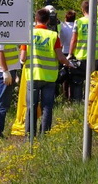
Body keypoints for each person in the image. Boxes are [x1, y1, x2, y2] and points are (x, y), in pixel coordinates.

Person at [19, 8, 72, 136]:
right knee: (47, 107)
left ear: (35, 19)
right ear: (48, 20)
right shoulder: (53, 36)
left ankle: (30, 136)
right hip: (49, 78)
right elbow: (60, 57)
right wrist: (68, 63)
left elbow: (22, 58)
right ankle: (45, 135)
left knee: (31, 107)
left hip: (33, 76)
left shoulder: (28, 34)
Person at [68, 0, 98, 101]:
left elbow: (74, 40)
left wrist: (70, 54)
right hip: (94, 56)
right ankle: (89, 102)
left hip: (81, 56)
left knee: (78, 80)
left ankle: (78, 103)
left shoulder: (79, 22)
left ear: (82, 9)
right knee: (91, 81)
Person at [0, 44, 21, 138]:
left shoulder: (5, 30)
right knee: (2, 102)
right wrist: (5, 71)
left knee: (3, 101)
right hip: (2, 71)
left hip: (8, 70)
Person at [59, 10, 76, 100]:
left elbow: (60, 41)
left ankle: (65, 96)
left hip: (64, 51)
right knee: (72, 76)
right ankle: (72, 96)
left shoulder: (62, 27)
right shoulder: (76, 26)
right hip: (74, 52)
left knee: (64, 75)